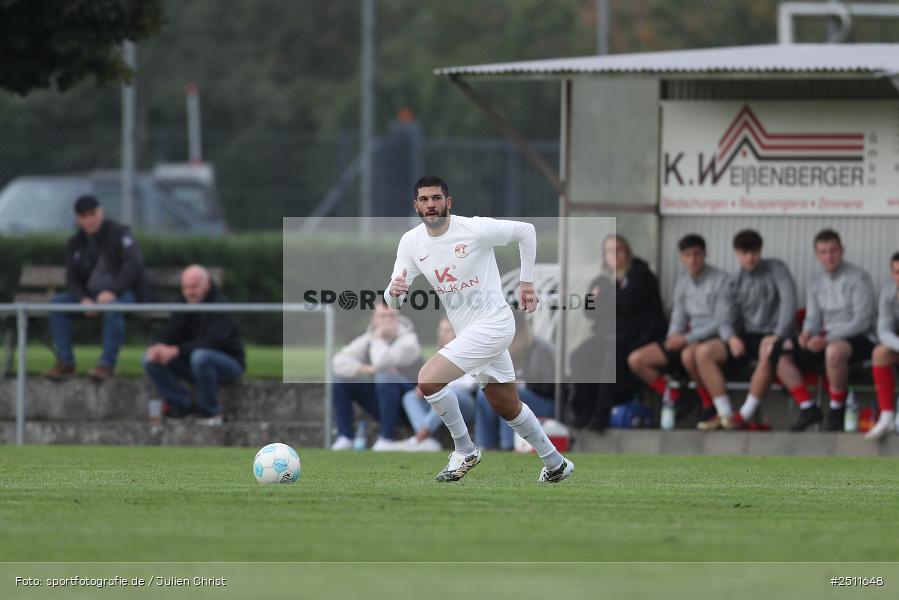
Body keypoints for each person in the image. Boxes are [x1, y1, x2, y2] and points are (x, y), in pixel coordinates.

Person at [385, 175, 573, 483]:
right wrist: (395, 291)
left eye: (436, 198)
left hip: (495, 324)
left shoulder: (474, 229)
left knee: (428, 380)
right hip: (470, 332)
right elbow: (393, 303)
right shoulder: (411, 242)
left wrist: (526, 282)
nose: (430, 205)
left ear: (449, 202)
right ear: (415, 206)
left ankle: (465, 450)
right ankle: (556, 464)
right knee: (506, 406)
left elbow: (526, 231)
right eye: (424, 200)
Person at [694, 230, 797, 430]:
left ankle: (744, 416)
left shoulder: (777, 270)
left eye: (754, 252)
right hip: (745, 336)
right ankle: (724, 414)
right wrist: (731, 338)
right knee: (703, 352)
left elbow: (789, 303)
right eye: (744, 253)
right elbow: (723, 318)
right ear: (736, 253)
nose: (750, 258)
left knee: (769, 350)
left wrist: (778, 335)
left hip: (773, 334)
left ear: (761, 250)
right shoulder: (731, 281)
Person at [775, 230, 876, 431]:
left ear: (841, 251)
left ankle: (837, 410)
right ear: (817, 255)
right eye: (823, 252)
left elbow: (862, 321)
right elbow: (813, 318)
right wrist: (806, 334)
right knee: (777, 351)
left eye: (833, 251)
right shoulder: (816, 280)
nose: (829, 256)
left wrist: (827, 339)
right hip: (826, 338)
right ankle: (807, 407)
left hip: (859, 338)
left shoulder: (859, 277)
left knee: (833, 351)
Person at [627, 234, 730, 427]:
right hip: (685, 340)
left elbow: (722, 321)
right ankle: (675, 396)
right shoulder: (682, 283)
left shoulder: (721, 280)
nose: (693, 260)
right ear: (682, 257)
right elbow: (678, 315)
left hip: (711, 339)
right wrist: (673, 335)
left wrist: (686, 338)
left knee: (691, 354)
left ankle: (711, 406)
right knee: (637, 359)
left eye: (697, 254)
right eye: (687, 255)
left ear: (705, 254)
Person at [45, 195, 149, 381]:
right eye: (84, 216)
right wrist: (83, 299)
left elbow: (132, 265)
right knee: (57, 304)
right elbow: (72, 277)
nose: (89, 219)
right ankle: (66, 362)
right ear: (78, 219)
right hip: (90, 296)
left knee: (113, 307)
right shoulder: (76, 243)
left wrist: (113, 292)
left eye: (92, 214)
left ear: (101, 213)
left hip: (123, 293)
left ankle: (106, 365)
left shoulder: (120, 233)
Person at [568, 234, 666, 430]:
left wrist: (604, 298)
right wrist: (611, 299)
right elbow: (588, 309)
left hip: (637, 337)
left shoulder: (641, 274)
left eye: (618, 250)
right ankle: (582, 413)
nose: (614, 255)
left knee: (611, 360)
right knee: (578, 356)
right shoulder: (601, 280)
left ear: (627, 253)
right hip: (605, 335)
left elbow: (627, 302)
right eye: (609, 251)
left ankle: (602, 415)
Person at [141, 265, 245, 425]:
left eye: (194, 287)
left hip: (227, 364)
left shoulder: (220, 306)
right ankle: (184, 405)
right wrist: (159, 346)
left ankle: (210, 413)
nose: (190, 291)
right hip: (192, 362)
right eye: (186, 287)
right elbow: (170, 333)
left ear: (207, 285)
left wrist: (177, 350)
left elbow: (213, 342)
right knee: (149, 359)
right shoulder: (182, 304)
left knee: (201, 357)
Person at [330, 301, 422, 451]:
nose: (387, 320)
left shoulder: (409, 341)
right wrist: (363, 368)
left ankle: (386, 437)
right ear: (374, 318)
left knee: (384, 375)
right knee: (341, 379)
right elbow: (338, 362)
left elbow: (381, 362)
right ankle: (345, 436)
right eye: (382, 316)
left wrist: (379, 338)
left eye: (391, 316)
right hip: (381, 402)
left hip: (410, 405)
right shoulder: (367, 339)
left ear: (398, 318)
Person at [476, 310, 555, 449]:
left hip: (545, 402)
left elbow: (550, 388)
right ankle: (485, 444)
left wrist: (523, 384)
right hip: (523, 397)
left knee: (511, 394)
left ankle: (509, 445)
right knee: (485, 394)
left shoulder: (541, 349)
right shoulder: (504, 351)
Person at [400, 317, 476, 451]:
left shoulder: (468, 350)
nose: (443, 334)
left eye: (447, 330)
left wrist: (441, 385)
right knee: (410, 397)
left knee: (448, 394)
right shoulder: (440, 354)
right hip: (444, 400)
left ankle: (419, 437)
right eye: (441, 330)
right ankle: (427, 440)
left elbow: (470, 384)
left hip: (466, 402)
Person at [865, 251, 899, 440]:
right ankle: (886, 417)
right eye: (897, 272)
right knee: (880, 353)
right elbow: (883, 331)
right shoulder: (888, 292)